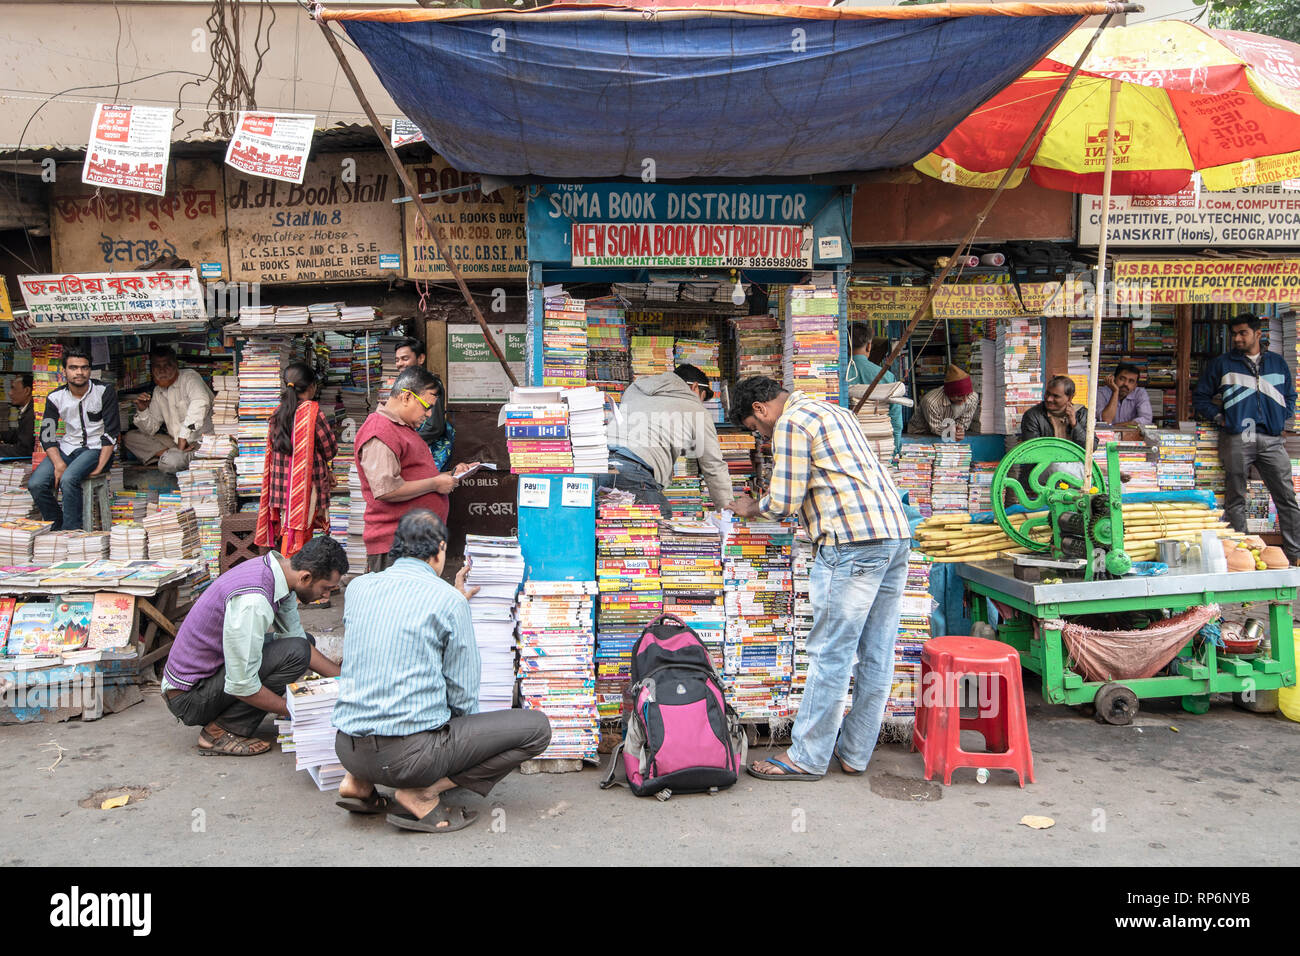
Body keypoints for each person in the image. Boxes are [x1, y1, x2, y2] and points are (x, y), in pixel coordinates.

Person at [729, 376, 911, 781]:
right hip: (894, 536)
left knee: (831, 654)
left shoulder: (791, 423)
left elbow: (783, 502)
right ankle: (855, 753)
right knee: (877, 653)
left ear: (760, 409)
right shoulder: (835, 411)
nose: (761, 436)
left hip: (853, 542)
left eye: (755, 429)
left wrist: (750, 507)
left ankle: (807, 757)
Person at [333, 509, 551, 832]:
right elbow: (463, 694)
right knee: (537, 728)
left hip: (347, 747)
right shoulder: (449, 602)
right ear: (440, 550)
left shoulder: (358, 589)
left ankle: (358, 782)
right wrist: (464, 742)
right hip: (410, 760)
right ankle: (423, 792)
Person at [161, 537, 346, 756]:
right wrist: (297, 710)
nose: (326, 595)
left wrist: (348, 683)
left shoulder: (279, 573)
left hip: (206, 679)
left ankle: (238, 716)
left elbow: (298, 640)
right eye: (326, 588)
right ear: (306, 577)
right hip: (189, 698)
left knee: (301, 645)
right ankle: (219, 732)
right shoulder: (254, 601)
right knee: (295, 652)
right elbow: (241, 684)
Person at [1194, 313, 1300, 563]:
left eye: (1243, 333)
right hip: (1237, 437)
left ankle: (1295, 554)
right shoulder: (1222, 364)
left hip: (1272, 439)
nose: (1237, 338)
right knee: (1235, 498)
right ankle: (1241, 555)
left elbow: (1291, 396)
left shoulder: (1277, 363)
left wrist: (1283, 419)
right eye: (1234, 334)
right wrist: (1221, 418)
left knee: (1286, 497)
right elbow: (1200, 397)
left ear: (1258, 334)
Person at [355, 366, 475, 573]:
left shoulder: (401, 428)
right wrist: (435, 483)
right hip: (394, 545)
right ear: (406, 397)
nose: (429, 415)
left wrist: (450, 475)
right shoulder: (380, 431)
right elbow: (386, 490)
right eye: (426, 407)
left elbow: (411, 475)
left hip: (412, 544)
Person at [601, 363, 734, 517]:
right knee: (661, 529)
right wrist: (726, 514)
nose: (700, 403)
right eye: (702, 398)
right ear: (695, 388)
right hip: (634, 471)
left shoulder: (634, 389)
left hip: (598, 463)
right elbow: (714, 467)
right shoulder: (695, 408)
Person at [30, 348, 120, 531]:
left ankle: (72, 532)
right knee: (36, 483)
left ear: (90, 370)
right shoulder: (55, 397)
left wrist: (100, 467)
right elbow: (47, 436)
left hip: (96, 449)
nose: (79, 372)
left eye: (84, 368)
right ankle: (56, 525)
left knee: (69, 479)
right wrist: (58, 464)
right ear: (64, 371)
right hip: (68, 448)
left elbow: (111, 433)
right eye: (73, 368)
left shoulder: (104, 391)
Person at [255, 361, 339, 557]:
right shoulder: (311, 411)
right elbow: (329, 448)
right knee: (301, 536)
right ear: (312, 387)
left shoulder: (277, 413)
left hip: (282, 488)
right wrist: (328, 467)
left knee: (289, 530)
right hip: (306, 488)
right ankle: (293, 576)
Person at [123, 344, 214, 475]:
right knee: (131, 437)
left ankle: (175, 457)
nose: (162, 370)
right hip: (176, 444)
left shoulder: (190, 377)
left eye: (167, 365)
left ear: (176, 365)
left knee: (170, 464)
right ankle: (174, 455)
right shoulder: (158, 391)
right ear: (152, 369)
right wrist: (143, 410)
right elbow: (151, 429)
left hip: (200, 442)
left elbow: (200, 403)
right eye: (157, 367)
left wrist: (183, 437)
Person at [393, 336, 455, 470]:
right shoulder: (402, 385)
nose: (399, 364)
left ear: (420, 358)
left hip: (427, 454)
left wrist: (405, 441)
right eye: (397, 360)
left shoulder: (430, 386)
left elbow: (434, 427)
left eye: (405, 358)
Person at [845, 325, 902, 456]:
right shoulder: (886, 376)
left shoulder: (836, 374)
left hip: (846, 444)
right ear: (869, 346)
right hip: (879, 445)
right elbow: (895, 418)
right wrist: (895, 447)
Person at [907, 365, 980, 439]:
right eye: (959, 396)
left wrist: (959, 431)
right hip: (920, 434)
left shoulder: (972, 398)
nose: (965, 400)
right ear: (949, 394)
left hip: (948, 435)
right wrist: (951, 432)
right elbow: (936, 428)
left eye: (967, 395)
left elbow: (963, 423)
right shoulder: (931, 402)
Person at [1096, 362, 1153, 426]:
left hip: (1131, 434)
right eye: (1122, 379)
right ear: (1114, 379)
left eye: (1131, 381)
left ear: (1135, 385)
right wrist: (1115, 392)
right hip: (1105, 435)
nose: (1126, 384)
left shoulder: (1140, 393)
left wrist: (1117, 426)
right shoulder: (1102, 392)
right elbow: (1106, 420)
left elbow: (1146, 419)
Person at [0, 373, 34, 459]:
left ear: (27, 391)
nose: (10, 393)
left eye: (13, 388)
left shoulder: (32, 415)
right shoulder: (27, 410)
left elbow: (24, 450)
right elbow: (19, 434)